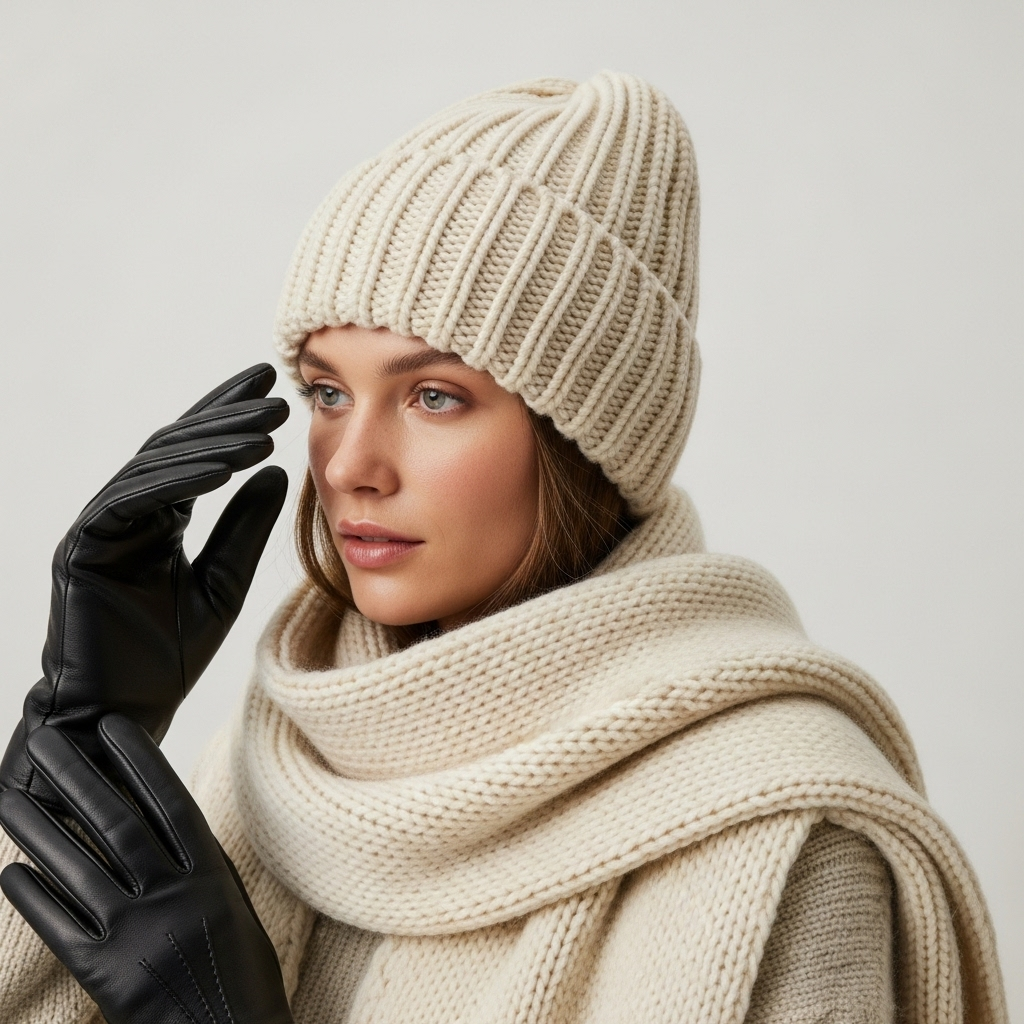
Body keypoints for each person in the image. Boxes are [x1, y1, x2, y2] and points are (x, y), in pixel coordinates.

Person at [0, 71, 1007, 1023]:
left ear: (586, 437)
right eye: (326, 390)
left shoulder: (786, 842)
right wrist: (80, 738)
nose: (350, 462)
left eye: (433, 396)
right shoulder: (273, 772)